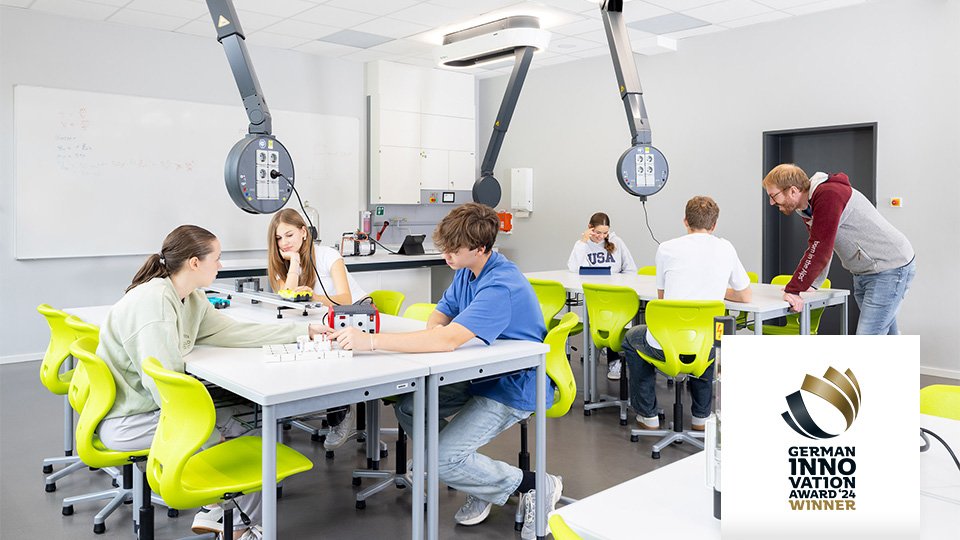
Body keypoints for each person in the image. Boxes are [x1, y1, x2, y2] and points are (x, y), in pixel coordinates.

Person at [332, 203, 560, 540]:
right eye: (445, 248)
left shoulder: (501, 285)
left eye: (454, 250)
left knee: (441, 460)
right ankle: (475, 477)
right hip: (479, 374)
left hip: (514, 385)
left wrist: (370, 342)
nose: (447, 256)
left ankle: (535, 484)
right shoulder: (467, 272)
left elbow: (447, 340)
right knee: (410, 406)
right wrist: (437, 336)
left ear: (481, 248)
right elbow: (440, 316)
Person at [95, 225, 329, 540]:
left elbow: (234, 332)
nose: (220, 266)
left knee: (244, 418)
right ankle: (241, 525)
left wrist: (301, 332)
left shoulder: (190, 297)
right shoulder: (152, 303)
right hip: (129, 420)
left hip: (149, 407)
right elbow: (165, 386)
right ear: (194, 263)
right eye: (216, 259)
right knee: (241, 426)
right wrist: (212, 428)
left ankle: (224, 512)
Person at [622, 196, 752, 431]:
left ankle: (647, 415)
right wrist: (715, 290)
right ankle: (701, 417)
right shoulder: (726, 247)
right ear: (714, 225)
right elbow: (745, 296)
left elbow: (663, 299)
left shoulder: (667, 248)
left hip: (665, 347)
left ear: (685, 221)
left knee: (633, 338)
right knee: (711, 336)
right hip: (704, 347)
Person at [762, 164, 915, 334]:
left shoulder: (829, 195)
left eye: (773, 196)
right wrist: (812, 283)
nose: (771, 202)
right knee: (885, 333)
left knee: (868, 336)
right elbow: (821, 243)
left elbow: (820, 247)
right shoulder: (806, 208)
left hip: (890, 267)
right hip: (866, 271)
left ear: (792, 191)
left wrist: (794, 289)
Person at [267, 208, 369, 451]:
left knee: (330, 353)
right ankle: (337, 405)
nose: (284, 243)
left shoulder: (327, 255)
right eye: (279, 239)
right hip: (319, 319)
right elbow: (287, 301)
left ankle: (342, 412)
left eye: (289, 235)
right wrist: (294, 264)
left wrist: (312, 296)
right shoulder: (282, 262)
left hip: (354, 315)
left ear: (304, 232)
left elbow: (345, 297)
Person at [567, 212, 638, 381]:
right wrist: (583, 241)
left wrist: (620, 281)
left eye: (605, 233)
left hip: (614, 294)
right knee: (600, 317)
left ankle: (613, 359)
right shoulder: (582, 245)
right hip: (594, 295)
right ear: (590, 228)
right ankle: (598, 346)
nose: (601, 237)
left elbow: (631, 269)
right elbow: (573, 267)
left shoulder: (616, 242)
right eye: (598, 232)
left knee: (611, 320)